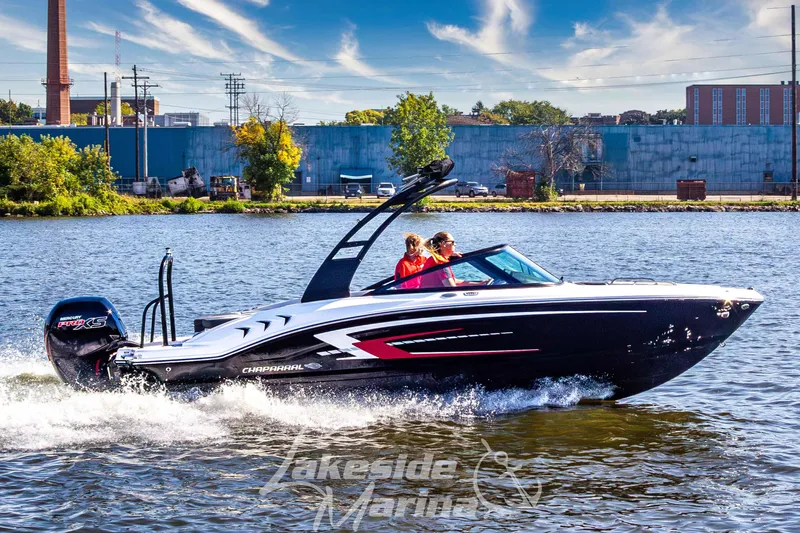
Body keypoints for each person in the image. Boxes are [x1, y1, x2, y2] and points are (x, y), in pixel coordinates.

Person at [419, 232, 487, 288]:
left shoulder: (437, 258)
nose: (455, 244)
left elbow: (452, 280)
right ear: (443, 244)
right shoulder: (441, 262)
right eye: (452, 242)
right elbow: (450, 287)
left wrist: (479, 284)